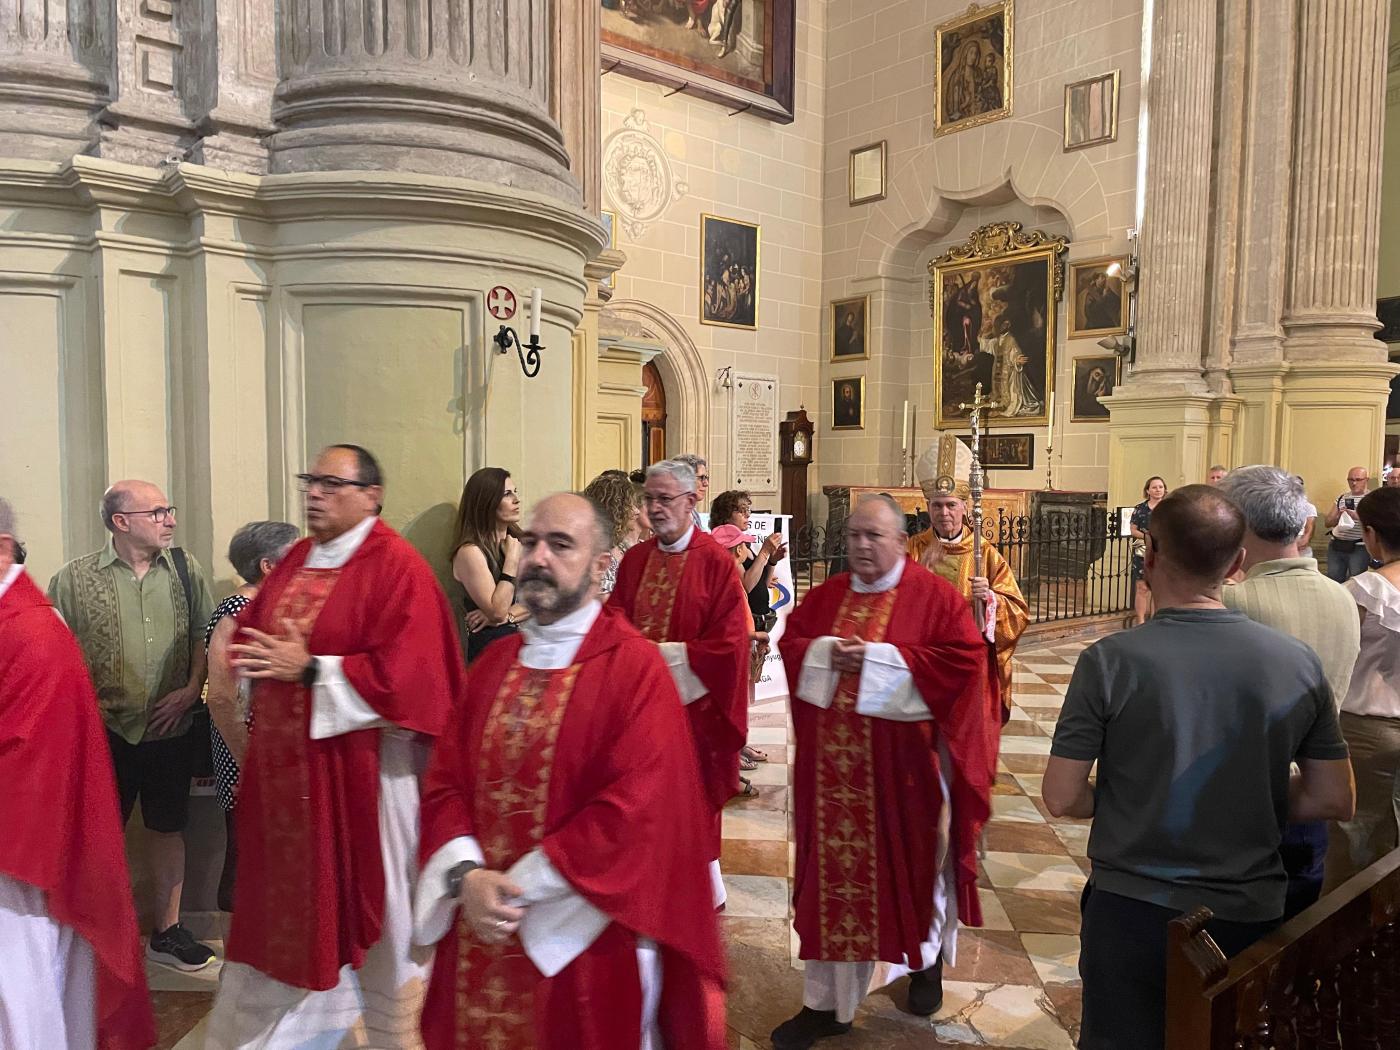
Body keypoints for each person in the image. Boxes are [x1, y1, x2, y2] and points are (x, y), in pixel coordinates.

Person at [413, 493, 729, 1049]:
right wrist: (467, 877)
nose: (538, 557)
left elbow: (635, 811)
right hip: (481, 929)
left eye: (561, 545)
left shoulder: (634, 671)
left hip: (588, 937)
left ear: (601, 564)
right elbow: (446, 784)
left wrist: (513, 890)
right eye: (531, 541)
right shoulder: (492, 668)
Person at [1044, 485, 1355, 1050]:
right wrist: (1247, 793)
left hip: (1131, 911)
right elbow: (1335, 798)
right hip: (1246, 911)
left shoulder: (1109, 660)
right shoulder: (1295, 660)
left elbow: (1062, 797)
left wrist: (1137, 798)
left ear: (1150, 555)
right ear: (1237, 564)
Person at [206, 444, 467, 1048]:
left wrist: (313, 672)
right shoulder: (299, 558)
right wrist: (243, 651)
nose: (314, 492)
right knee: (285, 919)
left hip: (370, 781)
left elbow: (417, 679)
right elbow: (258, 634)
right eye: (310, 481)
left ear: (371, 495)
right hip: (292, 781)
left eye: (330, 483)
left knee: (388, 928)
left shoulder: (397, 568)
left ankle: (393, 1034)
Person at [769, 495, 995, 1049]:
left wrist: (880, 659)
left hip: (905, 778)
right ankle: (825, 1006)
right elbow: (794, 642)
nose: (862, 547)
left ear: (900, 540)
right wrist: (826, 651)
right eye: (853, 536)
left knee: (916, 873)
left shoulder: (934, 598)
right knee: (830, 886)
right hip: (832, 784)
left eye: (874, 536)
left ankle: (925, 966)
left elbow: (964, 664)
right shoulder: (826, 598)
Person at [0, 497, 156, 1050]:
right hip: (23, 844)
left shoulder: (31, 633)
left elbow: (25, 755)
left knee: (16, 985)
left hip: (21, 851)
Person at [48, 479, 217, 970]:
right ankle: (93, 935)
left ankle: (168, 932)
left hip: (171, 730)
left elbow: (207, 638)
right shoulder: (72, 579)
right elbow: (55, 653)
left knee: (169, 828)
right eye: (158, 512)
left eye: (170, 509)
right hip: (103, 733)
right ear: (121, 522)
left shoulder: (186, 570)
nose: (171, 519)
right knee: (96, 835)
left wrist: (190, 691)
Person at [1217, 466, 1360, 919]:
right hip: (1313, 791)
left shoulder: (1231, 603)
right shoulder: (1341, 596)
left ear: (1233, 525)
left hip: (1244, 801)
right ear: (1305, 526)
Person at [608, 460, 750, 907]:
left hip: (695, 712)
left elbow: (730, 645)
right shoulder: (634, 561)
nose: (654, 508)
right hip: (638, 711)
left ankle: (704, 888)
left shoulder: (715, 564)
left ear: (690, 502)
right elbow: (613, 624)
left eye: (664, 499)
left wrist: (660, 659)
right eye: (648, 499)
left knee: (691, 800)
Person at [204, 520, 300, 912]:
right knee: (245, 857)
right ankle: (239, 964)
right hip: (246, 752)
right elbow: (222, 697)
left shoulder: (269, 607)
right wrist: (250, 759)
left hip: (272, 753)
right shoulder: (237, 611)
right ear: (268, 566)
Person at [909, 434, 1029, 718]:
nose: (944, 513)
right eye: (936, 505)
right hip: (924, 660)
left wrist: (990, 598)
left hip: (966, 659)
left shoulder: (985, 554)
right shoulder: (913, 548)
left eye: (951, 505)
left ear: (964, 507)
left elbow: (1019, 612)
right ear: (927, 507)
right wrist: (915, 575)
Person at [1323, 486, 1400, 891]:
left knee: (1354, 838)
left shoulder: (1363, 591)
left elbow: (1334, 657)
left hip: (1367, 728)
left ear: (1370, 534)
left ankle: (1344, 944)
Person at [451, 466, 529, 663]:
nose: (516, 500)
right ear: (486, 502)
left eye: (515, 492)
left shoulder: (520, 541)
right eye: (507, 494)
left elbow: (544, 600)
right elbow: (497, 611)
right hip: (492, 652)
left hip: (526, 644)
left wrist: (507, 617)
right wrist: (511, 561)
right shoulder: (469, 552)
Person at [1130, 476, 1167, 625]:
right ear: (1148, 490)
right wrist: (1148, 537)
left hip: (1162, 551)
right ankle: (1140, 621)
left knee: (1157, 588)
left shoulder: (1168, 508)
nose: (1158, 490)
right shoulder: (1140, 509)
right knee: (1142, 587)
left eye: (1160, 487)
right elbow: (1132, 529)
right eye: (1154, 487)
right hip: (1143, 551)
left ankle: (1154, 620)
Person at [1325, 466, 1371, 582]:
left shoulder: (1371, 499)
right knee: (1334, 579)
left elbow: (1376, 523)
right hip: (1337, 545)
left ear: (1366, 480)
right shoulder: (1341, 498)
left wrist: (1358, 517)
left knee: (1358, 581)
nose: (1354, 483)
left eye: (1358, 479)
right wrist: (1338, 517)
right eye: (1350, 480)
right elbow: (1327, 523)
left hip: (1359, 547)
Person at [675, 453, 712, 532]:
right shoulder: (674, 513)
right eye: (701, 478)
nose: (706, 483)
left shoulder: (692, 511)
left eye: (706, 478)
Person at [1295, 475, 1318, 556]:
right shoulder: (1282, 505)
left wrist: (1305, 538)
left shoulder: (1309, 507)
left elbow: (1310, 526)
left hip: (1300, 542)